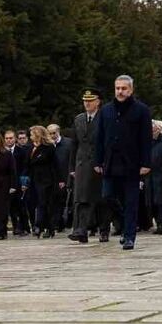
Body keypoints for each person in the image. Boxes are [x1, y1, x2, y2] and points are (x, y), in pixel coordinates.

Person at [94, 75, 153, 250]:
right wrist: (98, 160)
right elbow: (100, 137)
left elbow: (146, 139)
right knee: (107, 196)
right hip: (110, 162)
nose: (120, 91)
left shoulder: (141, 110)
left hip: (132, 163)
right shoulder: (106, 110)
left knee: (131, 201)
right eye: (117, 88)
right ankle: (125, 221)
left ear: (131, 90)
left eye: (124, 88)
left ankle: (129, 237)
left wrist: (146, 163)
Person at [68, 88, 109, 243]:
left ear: (97, 102)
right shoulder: (79, 119)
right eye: (85, 100)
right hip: (82, 164)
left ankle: (103, 229)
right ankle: (80, 230)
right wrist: (72, 168)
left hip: (99, 164)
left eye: (90, 100)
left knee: (101, 199)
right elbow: (74, 144)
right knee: (80, 198)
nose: (87, 103)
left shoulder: (104, 118)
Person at [25, 125, 62, 238]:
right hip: (35, 179)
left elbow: (55, 164)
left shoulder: (48, 147)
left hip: (47, 180)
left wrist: (60, 180)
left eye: (32, 134)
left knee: (45, 204)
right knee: (38, 204)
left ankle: (43, 227)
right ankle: (41, 226)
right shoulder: (31, 148)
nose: (30, 137)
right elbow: (28, 163)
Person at [50, 124, 75, 231]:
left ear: (58, 131)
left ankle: (67, 222)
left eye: (54, 133)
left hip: (67, 175)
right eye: (50, 133)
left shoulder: (68, 143)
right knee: (56, 201)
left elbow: (71, 160)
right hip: (53, 177)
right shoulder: (49, 145)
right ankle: (58, 223)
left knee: (68, 201)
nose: (52, 136)